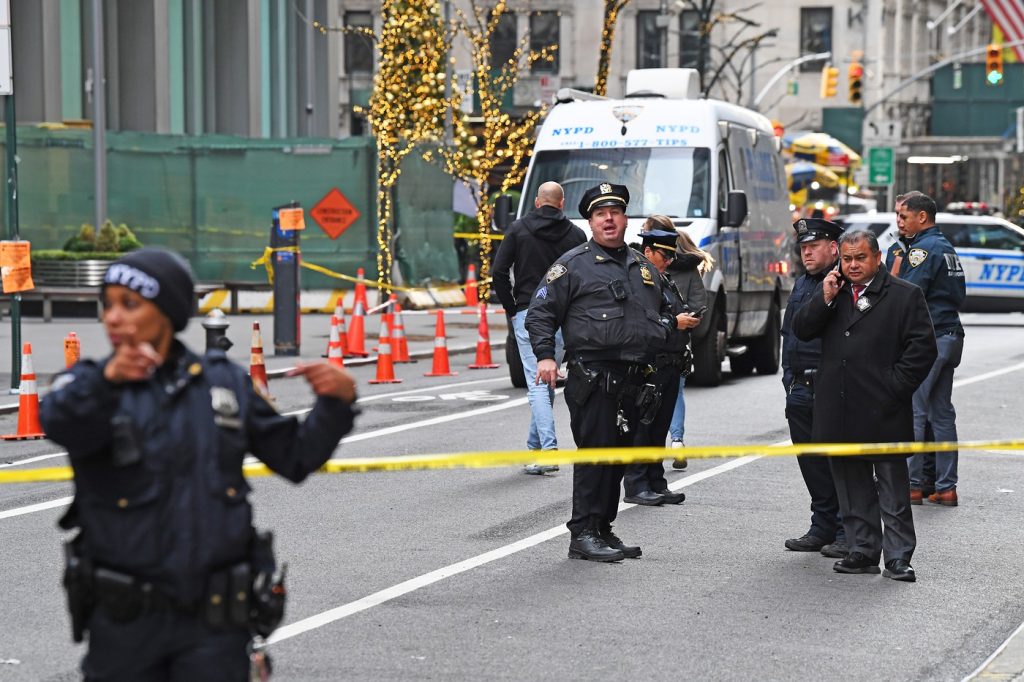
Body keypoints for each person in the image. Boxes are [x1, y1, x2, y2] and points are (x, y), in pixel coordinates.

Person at [40, 248, 358, 680]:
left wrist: (336, 404)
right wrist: (105, 381)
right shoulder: (89, 383)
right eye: (107, 304)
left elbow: (295, 456)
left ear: (167, 312)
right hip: (126, 626)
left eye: (129, 304)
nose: (112, 317)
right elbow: (59, 421)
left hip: (214, 627)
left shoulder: (222, 382)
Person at [526, 184, 696, 562]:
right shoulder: (572, 264)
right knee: (596, 458)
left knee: (618, 459)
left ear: (625, 220)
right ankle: (583, 532)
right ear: (590, 221)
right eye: (600, 214)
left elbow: (665, 311)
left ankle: (603, 528)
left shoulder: (642, 266)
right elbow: (540, 312)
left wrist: (664, 331)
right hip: (595, 377)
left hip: (634, 379)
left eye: (615, 213)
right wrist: (545, 357)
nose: (608, 219)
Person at [793, 230, 937, 582]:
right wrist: (823, 298)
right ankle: (863, 550)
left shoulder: (905, 295)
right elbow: (802, 329)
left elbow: (922, 350)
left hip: (883, 408)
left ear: (877, 258)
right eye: (847, 259)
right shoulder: (833, 292)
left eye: (860, 258)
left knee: (892, 490)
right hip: (840, 407)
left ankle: (899, 557)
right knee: (851, 485)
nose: (853, 265)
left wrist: (894, 387)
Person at [492, 181, 587, 474]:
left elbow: (498, 272)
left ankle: (548, 449)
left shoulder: (519, 229)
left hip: (527, 312)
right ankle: (535, 448)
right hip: (562, 316)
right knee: (544, 381)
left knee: (537, 381)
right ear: (561, 203)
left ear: (536, 202)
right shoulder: (576, 234)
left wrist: (512, 308)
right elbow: (585, 276)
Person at [887, 192, 966, 506]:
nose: (899, 222)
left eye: (904, 216)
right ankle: (946, 487)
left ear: (922, 217)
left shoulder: (922, 249)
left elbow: (907, 293)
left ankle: (913, 485)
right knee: (942, 414)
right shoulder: (945, 247)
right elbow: (959, 295)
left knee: (915, 412)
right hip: (950, 335)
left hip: (930, 338)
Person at [622, 221, 703, 506]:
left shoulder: (663, 279)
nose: (668, 261)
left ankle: (656, 481)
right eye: (663, 256)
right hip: (650, 364)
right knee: (644, 426)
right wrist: (675, 322)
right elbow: (643, 321)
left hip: (669, 362)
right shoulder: (638, 279)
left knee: (659, 427)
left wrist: (687, 319)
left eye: (670, 256)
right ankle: (636, 483)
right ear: (647, 251)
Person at [780, 218, 848, 559]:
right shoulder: (804, 283)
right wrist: (788, 379)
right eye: (803, 247)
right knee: (811, 463)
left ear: (833, 248)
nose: (806, 252)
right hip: (800, 387)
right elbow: (789, 335)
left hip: (829, 387)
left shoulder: (843, 283)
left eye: (814, 246)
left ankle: (846, 530)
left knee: (839, 463)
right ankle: (822, 525)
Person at [666, 228, 712, 470]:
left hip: (650, 338)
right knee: (676, 391)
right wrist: (687, 318)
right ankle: (677, 441)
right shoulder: (691, 270)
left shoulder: (646, 265)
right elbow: (699, 304)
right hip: (680, 340)